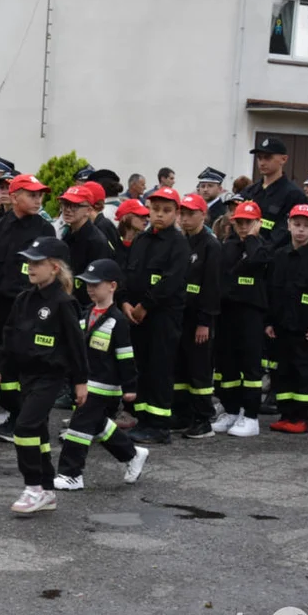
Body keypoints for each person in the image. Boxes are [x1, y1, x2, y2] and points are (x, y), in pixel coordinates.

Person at [0, 237, 86, 514]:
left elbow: (77, 346)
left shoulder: (63, 302)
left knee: (25, 427)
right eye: (29, 262)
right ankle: (46, 489)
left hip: (50, 376)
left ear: (54, 268)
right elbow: (8, 339)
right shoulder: (23, 299)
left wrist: (81, 382)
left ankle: (33, 487)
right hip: (26, 375)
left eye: (37, 263)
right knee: (38, 431)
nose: (30, 267)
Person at [52, 258, 148, 490]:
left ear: (112, 286)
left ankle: (70, 474)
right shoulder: (86, 313)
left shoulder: (118, 321)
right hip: (85, 382)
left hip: (104, 385)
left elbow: (126, 356)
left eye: (96, 284)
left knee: (78, 427)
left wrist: (130, 387)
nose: (90, 288)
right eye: (87, 284)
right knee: (95, 424)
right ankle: (132, 454)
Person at [0, 174, 55, 440]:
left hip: (30, 307)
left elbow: (52, 274)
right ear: (14, 194)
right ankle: (11, 410)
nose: (37, 199)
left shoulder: (45, 230)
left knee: (27, 361)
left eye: (39, 195)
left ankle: (27, 417)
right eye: (32, 194)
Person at [119, 187, 189, 444]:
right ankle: (144, 418)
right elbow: (128, 272)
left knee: (160, 368)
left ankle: (159, 425)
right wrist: (125, 301)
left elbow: (171, 282)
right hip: (137, 315)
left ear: (176, 213)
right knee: (142, 368)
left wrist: (145, 305)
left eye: (167, 211)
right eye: (156, 209)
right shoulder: (142, 239)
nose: (160, 215)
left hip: (162, 317)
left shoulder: (178, 243)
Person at [266, 204, 308, 434]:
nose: (301, 230)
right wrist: (269, 321)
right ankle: (287, 413)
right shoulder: (279, 256)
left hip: (306, 326)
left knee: (304, 370)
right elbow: (272, 290)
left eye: (306, 226)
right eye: (297, 225)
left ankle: (304, 416)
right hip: (282, 324)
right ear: (289, 225)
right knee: (284, 370)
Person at [211, 200, 269, 438]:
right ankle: (232, 410)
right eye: (239, 222)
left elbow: (256, 261)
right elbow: (225, 272)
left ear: (257, 223)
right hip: (228, 312)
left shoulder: (263, 246)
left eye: (248, 222)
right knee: (228, 364)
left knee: (250, 365)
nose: (243, 227)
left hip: (251, 313)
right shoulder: (229, 245)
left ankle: (251, 415)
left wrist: (253, 239)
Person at [172, 194, 222, 439]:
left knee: (199, 368)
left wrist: (205, 322)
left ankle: (203, 419)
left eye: (191, 213)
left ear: (204, 214)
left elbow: (212, 287)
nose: (185, 218)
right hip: (181, 315)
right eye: (182, 213)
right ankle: (182, 413)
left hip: (200, 318)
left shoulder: (211, 245)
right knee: (181, 367)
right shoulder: (182, 242)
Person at [243, 138, 308, 254]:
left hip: (275, 256)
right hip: (245, 251)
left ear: (283, 159)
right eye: (259, 158)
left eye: (268, 157)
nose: (262, 162)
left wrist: (262, 251)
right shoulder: (249, 192)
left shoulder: (294, 195)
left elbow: (287, 232)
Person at [60, 185, 113, 307]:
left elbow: (99, 283)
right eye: (65, 204)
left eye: (74, 206)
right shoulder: (68, 233)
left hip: (85, 305)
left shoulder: (96, 241)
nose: (67, 210)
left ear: (88, 210)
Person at [115, 199, 149, 268]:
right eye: (140, 215)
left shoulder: (147, 242)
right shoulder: (113, 241)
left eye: (146, 216)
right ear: (124, 217)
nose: (146, 219)